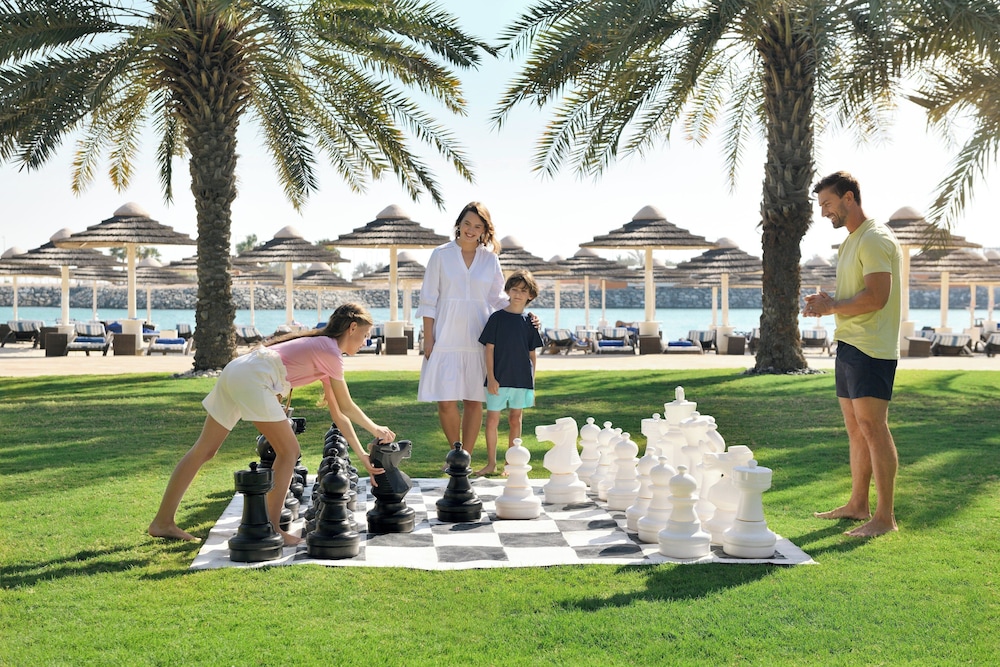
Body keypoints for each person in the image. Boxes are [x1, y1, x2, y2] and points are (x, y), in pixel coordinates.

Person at [148, 303, 395, 544]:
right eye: (365, 335)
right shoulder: (330, 351)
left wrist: (362, 455)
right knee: (289, 451)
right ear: (352, 328)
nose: (365, 342)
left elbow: (339, 414)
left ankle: (162, 522)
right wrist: (376, 429)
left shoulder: (323, 348)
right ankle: (271, 528)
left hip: (236, 371)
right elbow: (347, 406)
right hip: (253, 377)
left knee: (204, 450)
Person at [803, 171, 902, 538]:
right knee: (856, 429)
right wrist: (827, 302)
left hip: (871, 347)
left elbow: (877, 297)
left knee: (874, 427)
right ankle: (858, 505)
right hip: (849, 344)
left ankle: (885, 518)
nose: (823, 212)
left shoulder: (874, 238)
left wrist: (832, 307)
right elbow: (855, 295)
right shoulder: (849, 242)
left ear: (848, 198)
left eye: (827, 203)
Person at [417, 202, 509, 458]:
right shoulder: (440, 255)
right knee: (445, 401)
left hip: (479, 336)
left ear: (485, 231)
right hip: (445, 335)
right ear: (458, 224)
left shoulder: (490, 259)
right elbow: (428, 299)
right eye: (467, 223)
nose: (471, 230)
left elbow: (498, 298)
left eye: (478, 226)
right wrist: (428, 339)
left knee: (473, 399)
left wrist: (523, 316)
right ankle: (454, 453)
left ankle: (464, 458)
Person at [476, 270, 544, 476]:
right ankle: (491, 464)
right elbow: (489, 349)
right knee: (492, 420)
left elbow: (532, 355)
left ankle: (510, 464)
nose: (518, 294)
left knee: (516, 419)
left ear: (530, 295)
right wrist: (491, 378)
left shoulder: (530, 322)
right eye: (514, 289)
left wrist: (531, 383)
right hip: (498, 379)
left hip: (522, 380)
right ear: (508, 291)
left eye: (523, 291)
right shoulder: (497, 318)